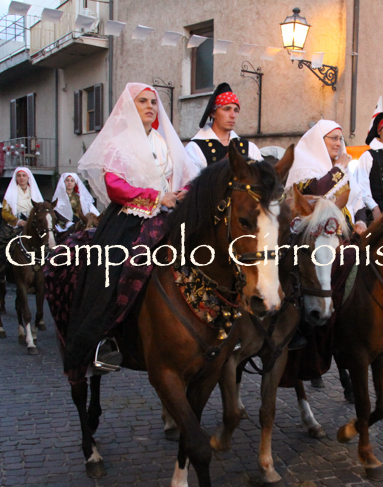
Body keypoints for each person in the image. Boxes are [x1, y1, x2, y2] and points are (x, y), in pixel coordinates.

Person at [65, 83, 196, 377]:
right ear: (129, 107)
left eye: (153, 102)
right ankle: (104, 339)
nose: (150, 106)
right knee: (111, 269)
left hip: (170, 214)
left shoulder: (165, 143)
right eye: (142, 101)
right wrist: (156, 197)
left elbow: (187, 177)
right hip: (129, 218)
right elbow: (115, 186)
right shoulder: (118, 143)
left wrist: (182, 192)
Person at [285, 119, 362, 229]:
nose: (339, 144)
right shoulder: (305, 163)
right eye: (334, 138)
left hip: (344, 230)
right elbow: (315, 192)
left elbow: (357, 199)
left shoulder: (341, 166)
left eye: (340, 139)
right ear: (320, 139)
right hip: (314, 230)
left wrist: (361, 221)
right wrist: (338, 169)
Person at [185, 83, 262, 171]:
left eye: (236, 110)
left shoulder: (249, 148)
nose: (233, 115)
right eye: (226, 109)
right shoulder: (195, 149)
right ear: (213, 113)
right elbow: (191, 179)